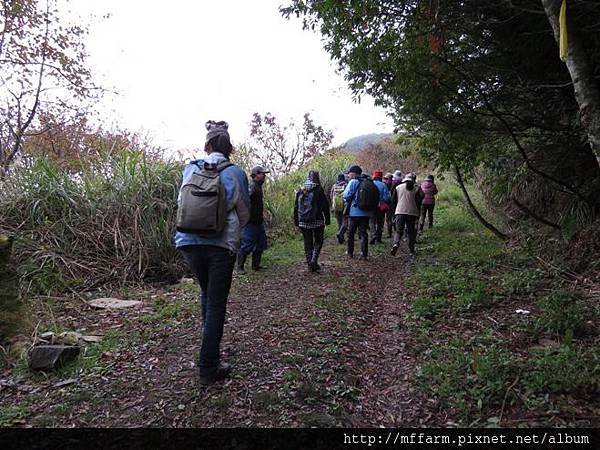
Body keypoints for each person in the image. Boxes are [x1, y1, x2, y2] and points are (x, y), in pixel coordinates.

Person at [175, 120, 250, 385]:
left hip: (187, 241)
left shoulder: (190, 168)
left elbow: (181, 202)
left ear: (207, 145)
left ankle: (210, 344)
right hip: (220, 245)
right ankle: (208, 365)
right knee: (217, 301)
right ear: (229, 148)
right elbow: (244, 213)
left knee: (207, 293)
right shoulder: (236, 172)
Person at [294, 170, 330, 272]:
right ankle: (314, 260)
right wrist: (327, 219)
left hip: (303, 222)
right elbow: (325, 206)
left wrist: (296, 221)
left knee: (307, 242)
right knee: (318, 241)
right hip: (317, 220)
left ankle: (310, 264)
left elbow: (296, 207)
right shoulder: (319, 189)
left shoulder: (301, 189)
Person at [237, 165, 270, 274]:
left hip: (258, 221)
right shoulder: (252, 187)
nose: (264, 176)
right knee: (247, 245)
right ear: (256, 175)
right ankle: (240, 267)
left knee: (261, 244)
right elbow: (245, 202)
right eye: (262, 173)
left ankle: (256, 266)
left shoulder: (258, 186)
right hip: (250, 222)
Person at [343, 165, 378, 260]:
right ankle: (364, 254)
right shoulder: (368, 181)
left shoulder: (354, 181)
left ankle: (350, 253)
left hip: (354, 212)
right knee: (363, 233)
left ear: (353, 173)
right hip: (366, 213)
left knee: (351, 233)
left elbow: (346, 195)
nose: (348, 175)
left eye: (349, 173)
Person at [391, 174, 423, 256]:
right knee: (411, 231)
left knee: (398, 231)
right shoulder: (416, 188)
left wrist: (394, 212)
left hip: (400, 211)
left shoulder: (398, 187)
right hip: (412, 212)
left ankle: (396, 244)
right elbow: (421, 197)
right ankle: (411, 250)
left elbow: (393, 201)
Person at [369, 169, 391, 244]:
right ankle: (378, 238)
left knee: (372, 222)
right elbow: (386, 198)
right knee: (380, 223)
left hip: (371, 206)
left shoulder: (371, 184)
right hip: (381, 207)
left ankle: (373, 235)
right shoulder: (383, 185)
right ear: (381, 177)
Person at [330, 172, 348, 243]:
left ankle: (341, 238)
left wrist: (333, 203)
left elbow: (331, 195)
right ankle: (340, 234)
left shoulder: (334, 186)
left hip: (336, 206)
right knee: (345, 222)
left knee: (339, 222)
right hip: (344, 206)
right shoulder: (346, 185)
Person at [383, 173, 395, 238]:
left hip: (385, 203)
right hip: (391, 203)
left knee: (387, 219)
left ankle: (389, 233)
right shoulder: (394, 185)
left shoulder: (384, 185)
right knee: (389, 219)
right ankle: (389, 233)